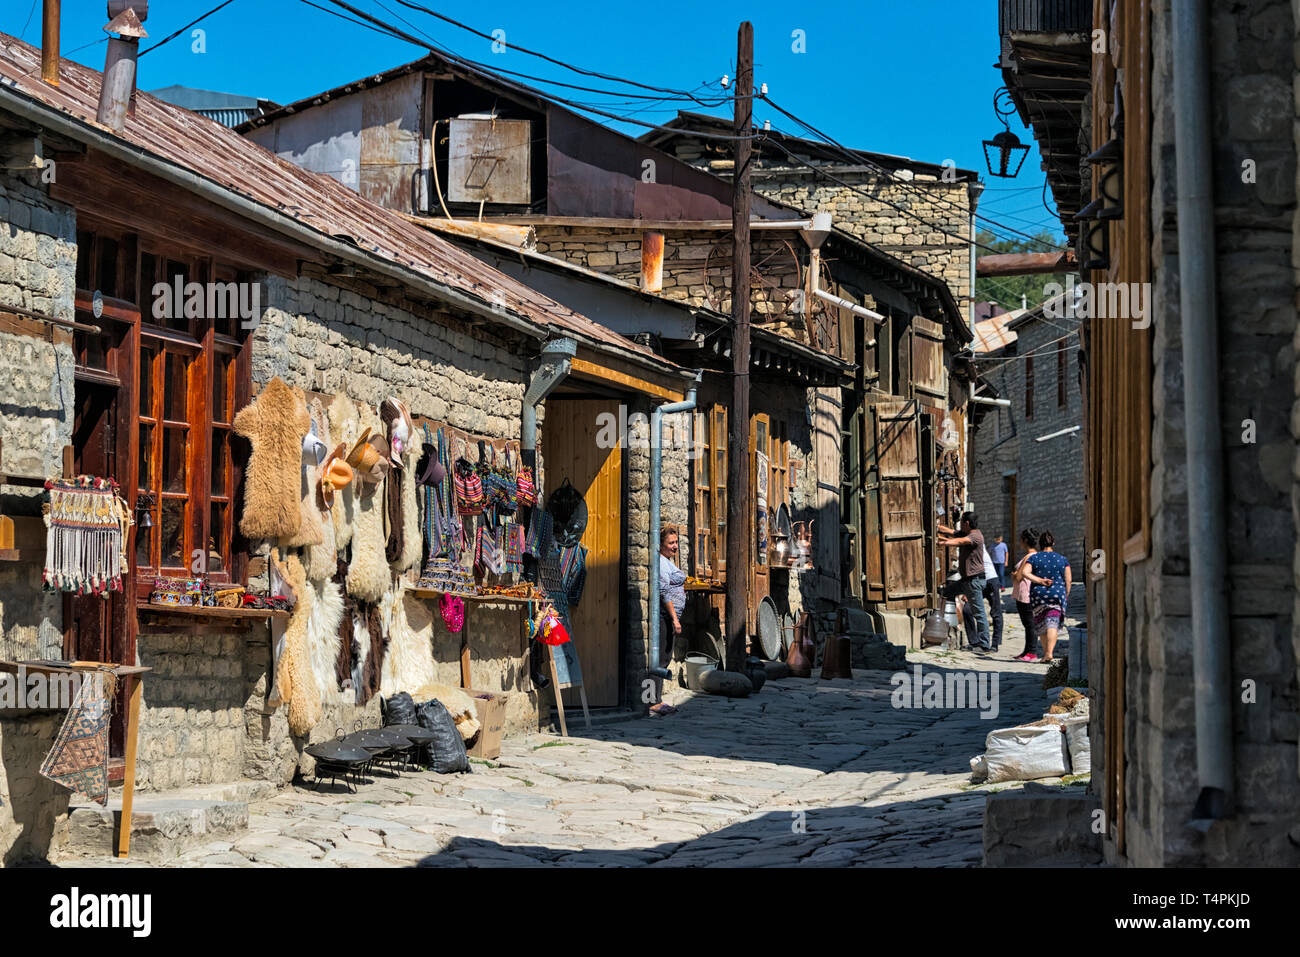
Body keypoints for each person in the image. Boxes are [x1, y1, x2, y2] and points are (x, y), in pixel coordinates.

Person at [937, 511, 990, 652]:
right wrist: (938, 529)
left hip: (974, 581)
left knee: (979, 613)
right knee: (946, 592)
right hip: (966, 580)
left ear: (966, 523)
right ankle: (945, 626)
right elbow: (953, 532)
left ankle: (984, 644)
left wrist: (942, 542)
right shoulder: (966, 533)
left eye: (961, 521)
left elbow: (959, 541)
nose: (960, 524)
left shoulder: (975, 536)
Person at [652, 527, 687, 715]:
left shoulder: (667, 562)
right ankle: (652, 700)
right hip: (665, 617)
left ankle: (656, 699)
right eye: (671, 543)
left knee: (664, 659)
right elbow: (664, 591)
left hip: (669, 618)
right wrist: (675, 619)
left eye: (676, 542)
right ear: (661, 545)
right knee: (659, 659)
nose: (675, 547)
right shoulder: (660, 563)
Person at [1023, 529, 1071, 663]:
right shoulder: (1063, 559)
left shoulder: (1034, 558)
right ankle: (1049, 653)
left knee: (1041, 623)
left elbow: (1025, 573)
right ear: (1053, 543)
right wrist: (1065, 594)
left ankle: (1046, 653)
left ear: (1040, 544)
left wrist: (1039, 580)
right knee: (1052, 623)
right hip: (1057, 594)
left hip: (1039, 595)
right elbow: (1068, 580)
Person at [1010, 527, 1040, 661]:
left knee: (1029, 624)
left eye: (1021, 540)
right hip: (1027, 593)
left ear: (1025, 540)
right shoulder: (1036, 555)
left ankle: (1031, 652)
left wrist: (1014, 574)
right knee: (1028, 624)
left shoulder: (1029, 557)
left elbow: (1019, 577)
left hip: (1025, 594)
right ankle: (1026, 651)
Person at [980, 541, 1004, 651]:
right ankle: (976, 642)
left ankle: (995, 643)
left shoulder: (977, 544)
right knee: (967, 609)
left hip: (991, 580)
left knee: (996, 612)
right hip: (979, 582)